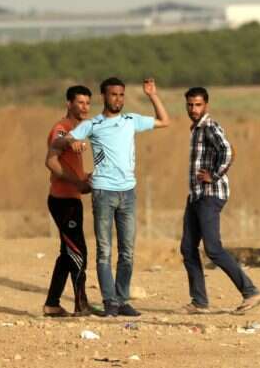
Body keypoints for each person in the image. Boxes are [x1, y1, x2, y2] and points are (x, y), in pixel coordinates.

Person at [51, 77, 169, 317]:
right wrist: (71, 143)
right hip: (104, 192)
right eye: (113, 95)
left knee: (128, 251)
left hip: (128, 193)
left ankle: (122, 299)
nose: (118, 99)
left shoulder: (131, 120)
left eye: (121, 95)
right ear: (104, 96)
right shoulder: (93, 124)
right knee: (104, 250)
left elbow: (165, 121)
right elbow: (60, 141)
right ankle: (110, 302)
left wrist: (152, 95)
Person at [179, 87, 260, 315]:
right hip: (196, 195)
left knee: (213, 249)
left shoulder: (209, 126)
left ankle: (251, 291)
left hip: (210, 193)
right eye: (190, 105)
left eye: (198, 105)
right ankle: (199, 301)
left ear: (206, 105)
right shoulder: (196, 129)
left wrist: (214, 175)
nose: (193, 109)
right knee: (188, 248)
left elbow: (227, 150)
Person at [43, 85, 95, 317]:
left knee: (67, 253)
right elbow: (55, 150)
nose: (84, 107)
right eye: (80, 102)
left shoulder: (79, 129)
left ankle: (52, 304)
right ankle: (81, 304)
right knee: (78, 251)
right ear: (69, 104)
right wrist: (76, 181)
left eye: (87, 103)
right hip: (63, 201)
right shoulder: (62, 129)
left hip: (72, 199)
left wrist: (85, 180)